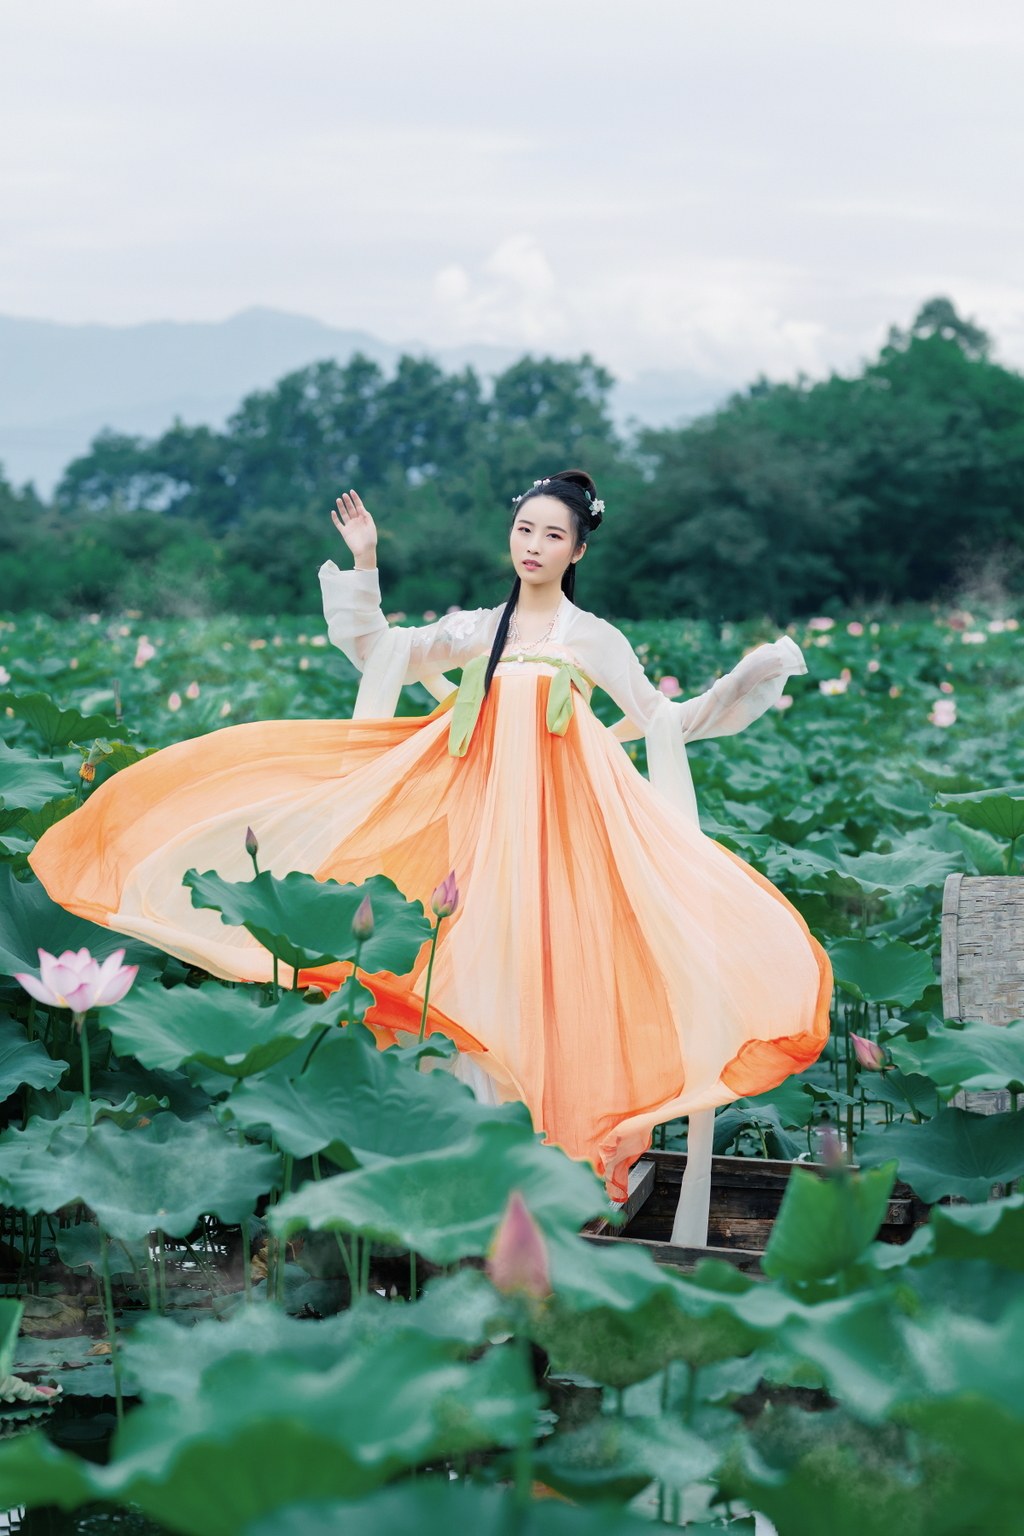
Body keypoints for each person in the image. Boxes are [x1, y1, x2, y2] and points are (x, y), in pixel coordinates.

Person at [31, 469, 830, 1242]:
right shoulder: (477, 628)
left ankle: (549, 1173)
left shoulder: (595, 640)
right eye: (525, 530)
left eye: (553, 535)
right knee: (464, 977)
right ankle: (467, 1170)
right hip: (474, 837)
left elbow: (663, 719)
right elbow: (379, 649)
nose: (534, 546)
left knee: (545, 982)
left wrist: (739, 686)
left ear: (578, 551)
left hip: (558, 848)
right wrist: (366, 561)